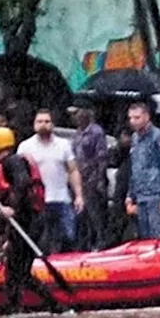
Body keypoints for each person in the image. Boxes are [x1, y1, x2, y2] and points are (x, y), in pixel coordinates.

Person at [0, 127, 63, 314]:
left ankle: (14, 311)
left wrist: (13, 209)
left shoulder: (12, 162)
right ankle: (55, 306)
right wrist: (7, 236)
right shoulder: (13, 162)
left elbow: (23, 183)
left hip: (28, 222)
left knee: (13, 272)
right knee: (21, 272)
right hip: (27, 222)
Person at [16, 109, 84, 254]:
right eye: (39, 122)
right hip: (38, 202)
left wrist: (78, 195)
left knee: (69, 237)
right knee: (42, 241)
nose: (43, 125)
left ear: (52, 124)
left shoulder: (64, 145)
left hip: (62, 199)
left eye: (47, 122)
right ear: (34, 124)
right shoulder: (25, 147)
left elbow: (73, 170)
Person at [124, 102, 160, 239]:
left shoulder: (158, 137)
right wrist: (130, 194)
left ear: (146, 116)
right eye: (130, 118)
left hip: (156, 195)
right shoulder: (135, 138)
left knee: (159, 236)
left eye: (137, 117)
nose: (133, 122)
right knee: (144, 237)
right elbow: (135, 168)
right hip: (141, 195)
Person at [70, 102, 110, 251]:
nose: (75, 117)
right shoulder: (78, 133)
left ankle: (101, 243)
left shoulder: (96, 132)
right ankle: (84, 244)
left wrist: (99, 179)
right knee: (82, 215)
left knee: (96, 214)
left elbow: (101, 157)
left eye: (77, 113)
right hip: (80, 179)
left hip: (93, 178)